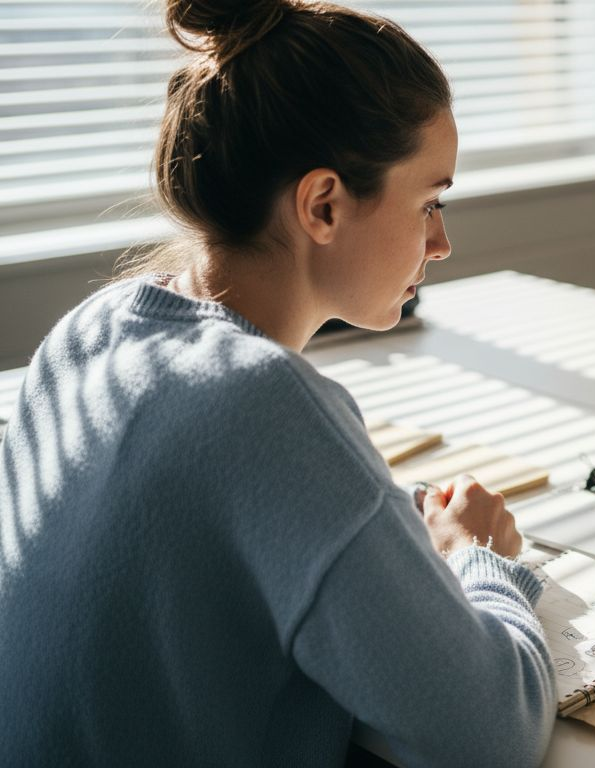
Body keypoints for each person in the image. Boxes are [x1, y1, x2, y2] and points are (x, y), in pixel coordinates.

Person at [0, 0, 555, 766]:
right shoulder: (264, 403)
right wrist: (483, 564)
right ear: (323, 204)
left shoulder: (87, 332)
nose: (442, 241)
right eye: (430, 202)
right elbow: (492, 736)